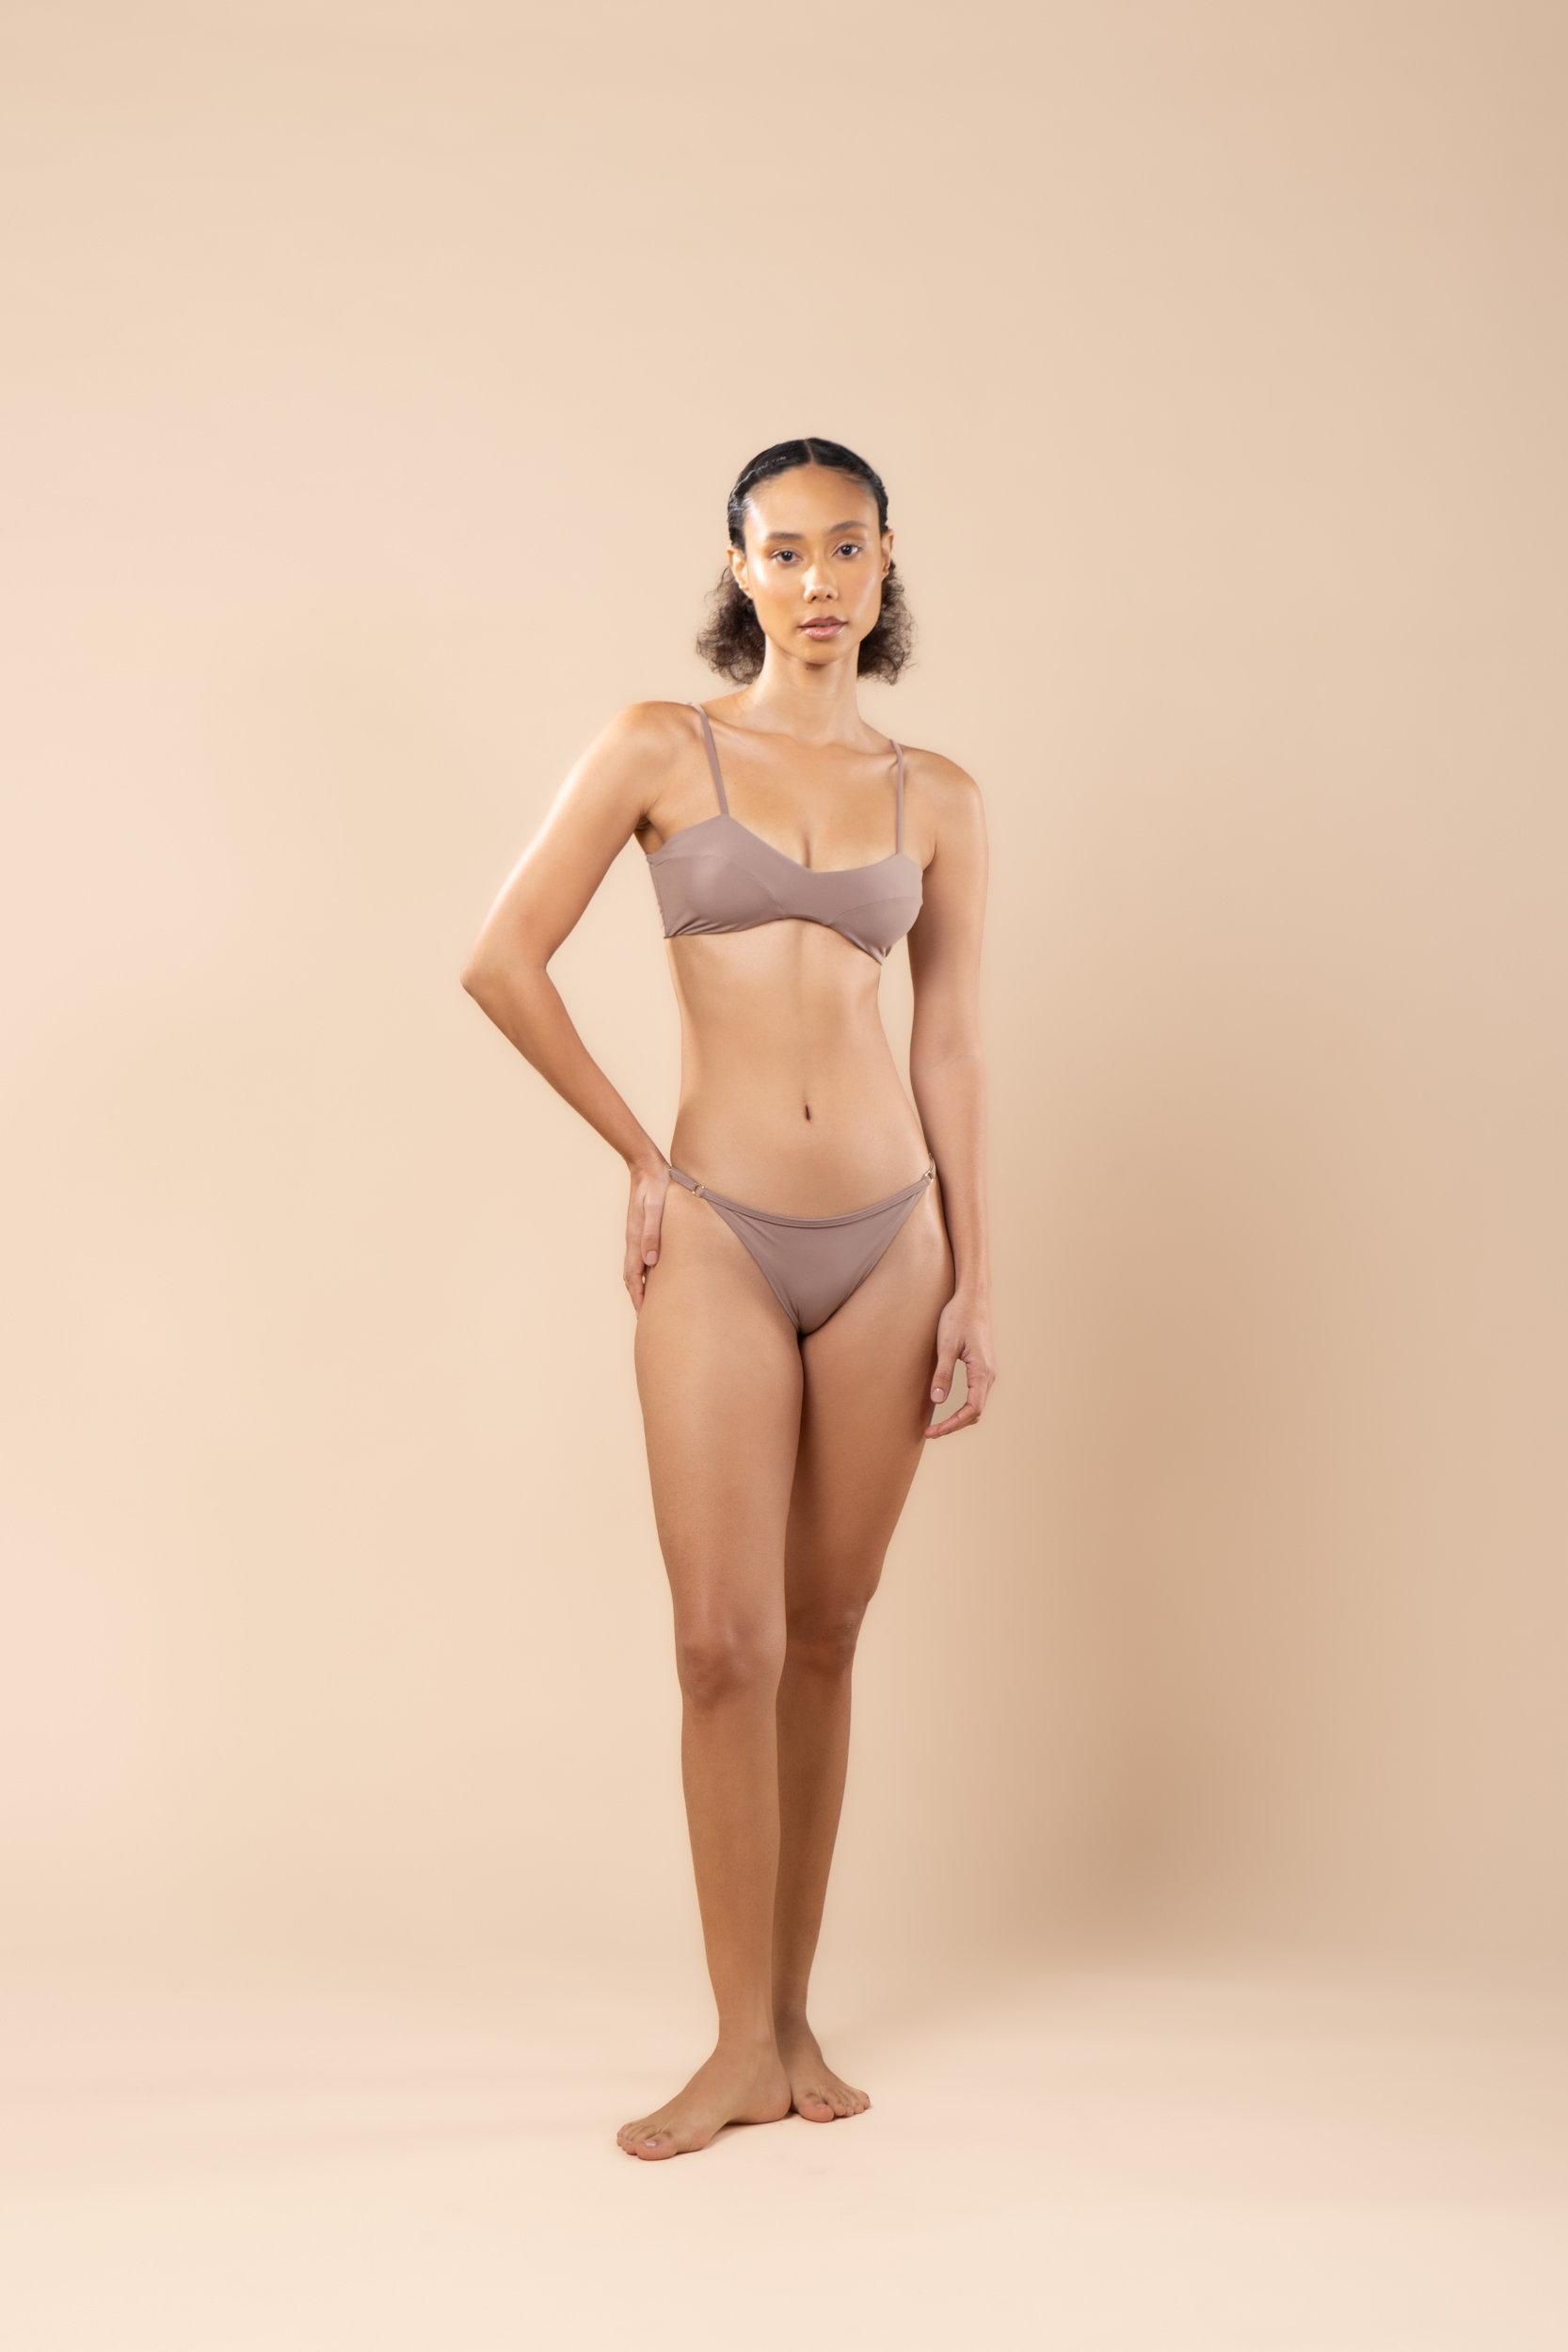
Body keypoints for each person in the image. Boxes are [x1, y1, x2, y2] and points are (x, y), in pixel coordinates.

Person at [462, 438, 995, 2159]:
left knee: (826, 1636)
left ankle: (787, 2022)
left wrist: (978, 1277)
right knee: (722, 1648)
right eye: (785, 551)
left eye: (847, 548)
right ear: (739, 567)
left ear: (886, 561)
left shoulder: (938, 795)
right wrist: (636, 1152)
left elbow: (948, 1047)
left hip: (893, 1243)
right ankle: (729, 2043)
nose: (818, 581)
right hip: (717, 1227)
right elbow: (499, 959)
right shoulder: (658, 746)